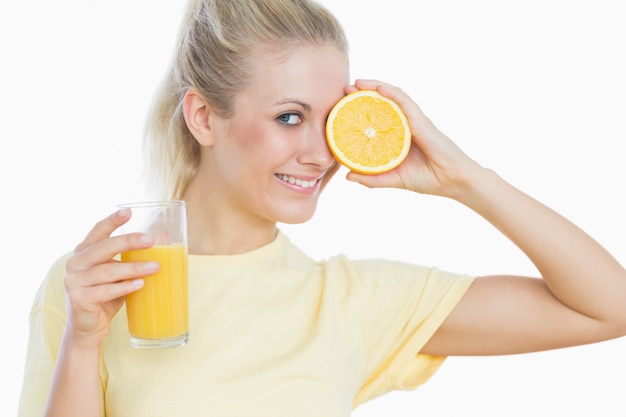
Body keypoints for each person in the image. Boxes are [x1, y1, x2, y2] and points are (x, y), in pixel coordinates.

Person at [18, 0, 626, 416]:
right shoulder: (97, 288)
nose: (320, 153)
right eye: (289, 117)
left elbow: (608, 306)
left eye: (332, 119)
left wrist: (462, 177)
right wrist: (84, 341)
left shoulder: (351, 301)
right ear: (204, 117)